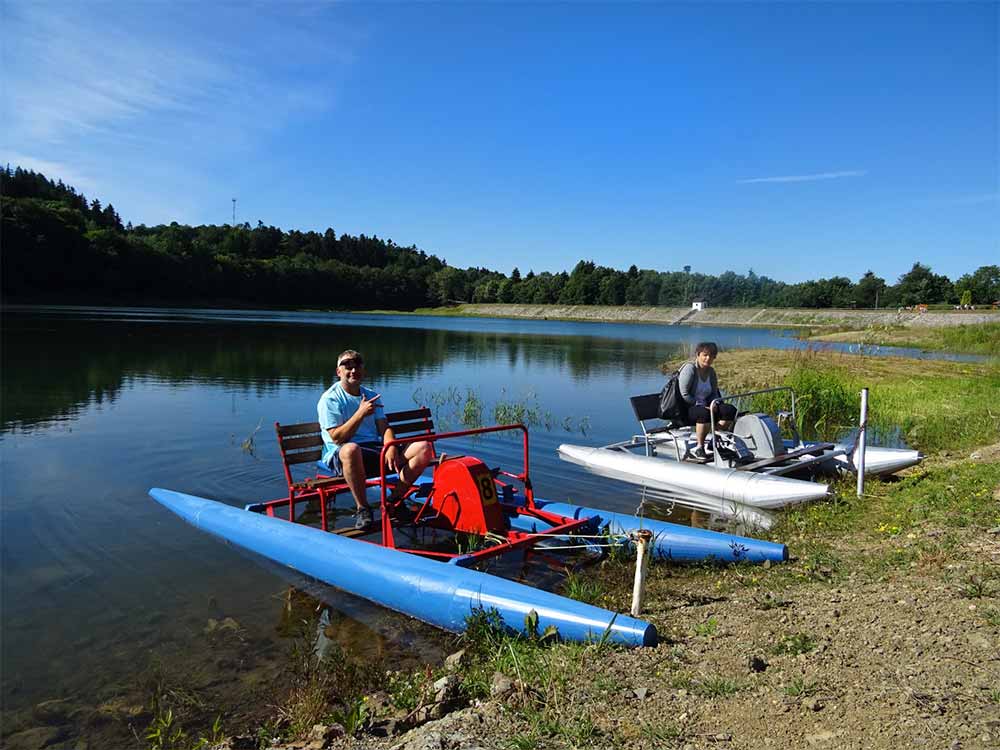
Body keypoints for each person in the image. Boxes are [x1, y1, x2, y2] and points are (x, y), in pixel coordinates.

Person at [317, 349, 433, 530]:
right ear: (338, 372)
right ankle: (363, 508)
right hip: (341, 455)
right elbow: (338, 438)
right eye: (347, 366)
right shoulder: (330, 399)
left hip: (373, 450)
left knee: (423, 448)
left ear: (363, 371)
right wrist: (360, 413)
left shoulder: (371, 395)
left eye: (357, 366)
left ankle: (393, 501)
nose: (353, 370)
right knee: (351, 449)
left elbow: (384, 427)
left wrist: (391, 446)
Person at [678, 342, 737, 460]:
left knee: (730, 410)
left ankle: (714, 441)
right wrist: (700, 405)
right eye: (705, 355)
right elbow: (684, 394)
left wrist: (714, 403)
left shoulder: (711, 372)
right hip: (687, 407)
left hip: (705, 405)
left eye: (711, 356)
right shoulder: (690, 369)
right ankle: (700, 448)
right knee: (704, 414)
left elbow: (714, 392)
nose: (708, 358)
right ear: (698, 355)